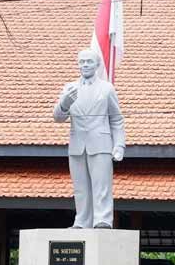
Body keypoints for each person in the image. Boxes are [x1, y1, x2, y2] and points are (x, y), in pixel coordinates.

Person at [53, 48, 125, 228]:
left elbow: (116, 119)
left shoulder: (106, 88)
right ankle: (82, 220)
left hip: (101, 143)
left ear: (97, 64)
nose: (85, 65)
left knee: (101, 185)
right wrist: (64, 103)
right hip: (77, 144)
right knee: (81, 187)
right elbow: (58, 117)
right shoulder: (69, 88)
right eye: (82, 61)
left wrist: (119, 145)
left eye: (89, 61)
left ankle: (102, 219)